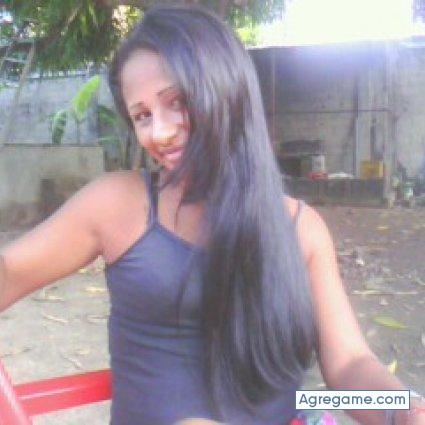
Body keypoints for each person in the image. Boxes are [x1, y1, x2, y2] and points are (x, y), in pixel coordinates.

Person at [0, 5, 424, 425]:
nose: (160, 132)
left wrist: (403, 411)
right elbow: (9, 272)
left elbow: (348, 364)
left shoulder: (302, 229)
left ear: (228, 93)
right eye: (142, 115)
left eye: (177, 102)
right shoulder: (117, 205)